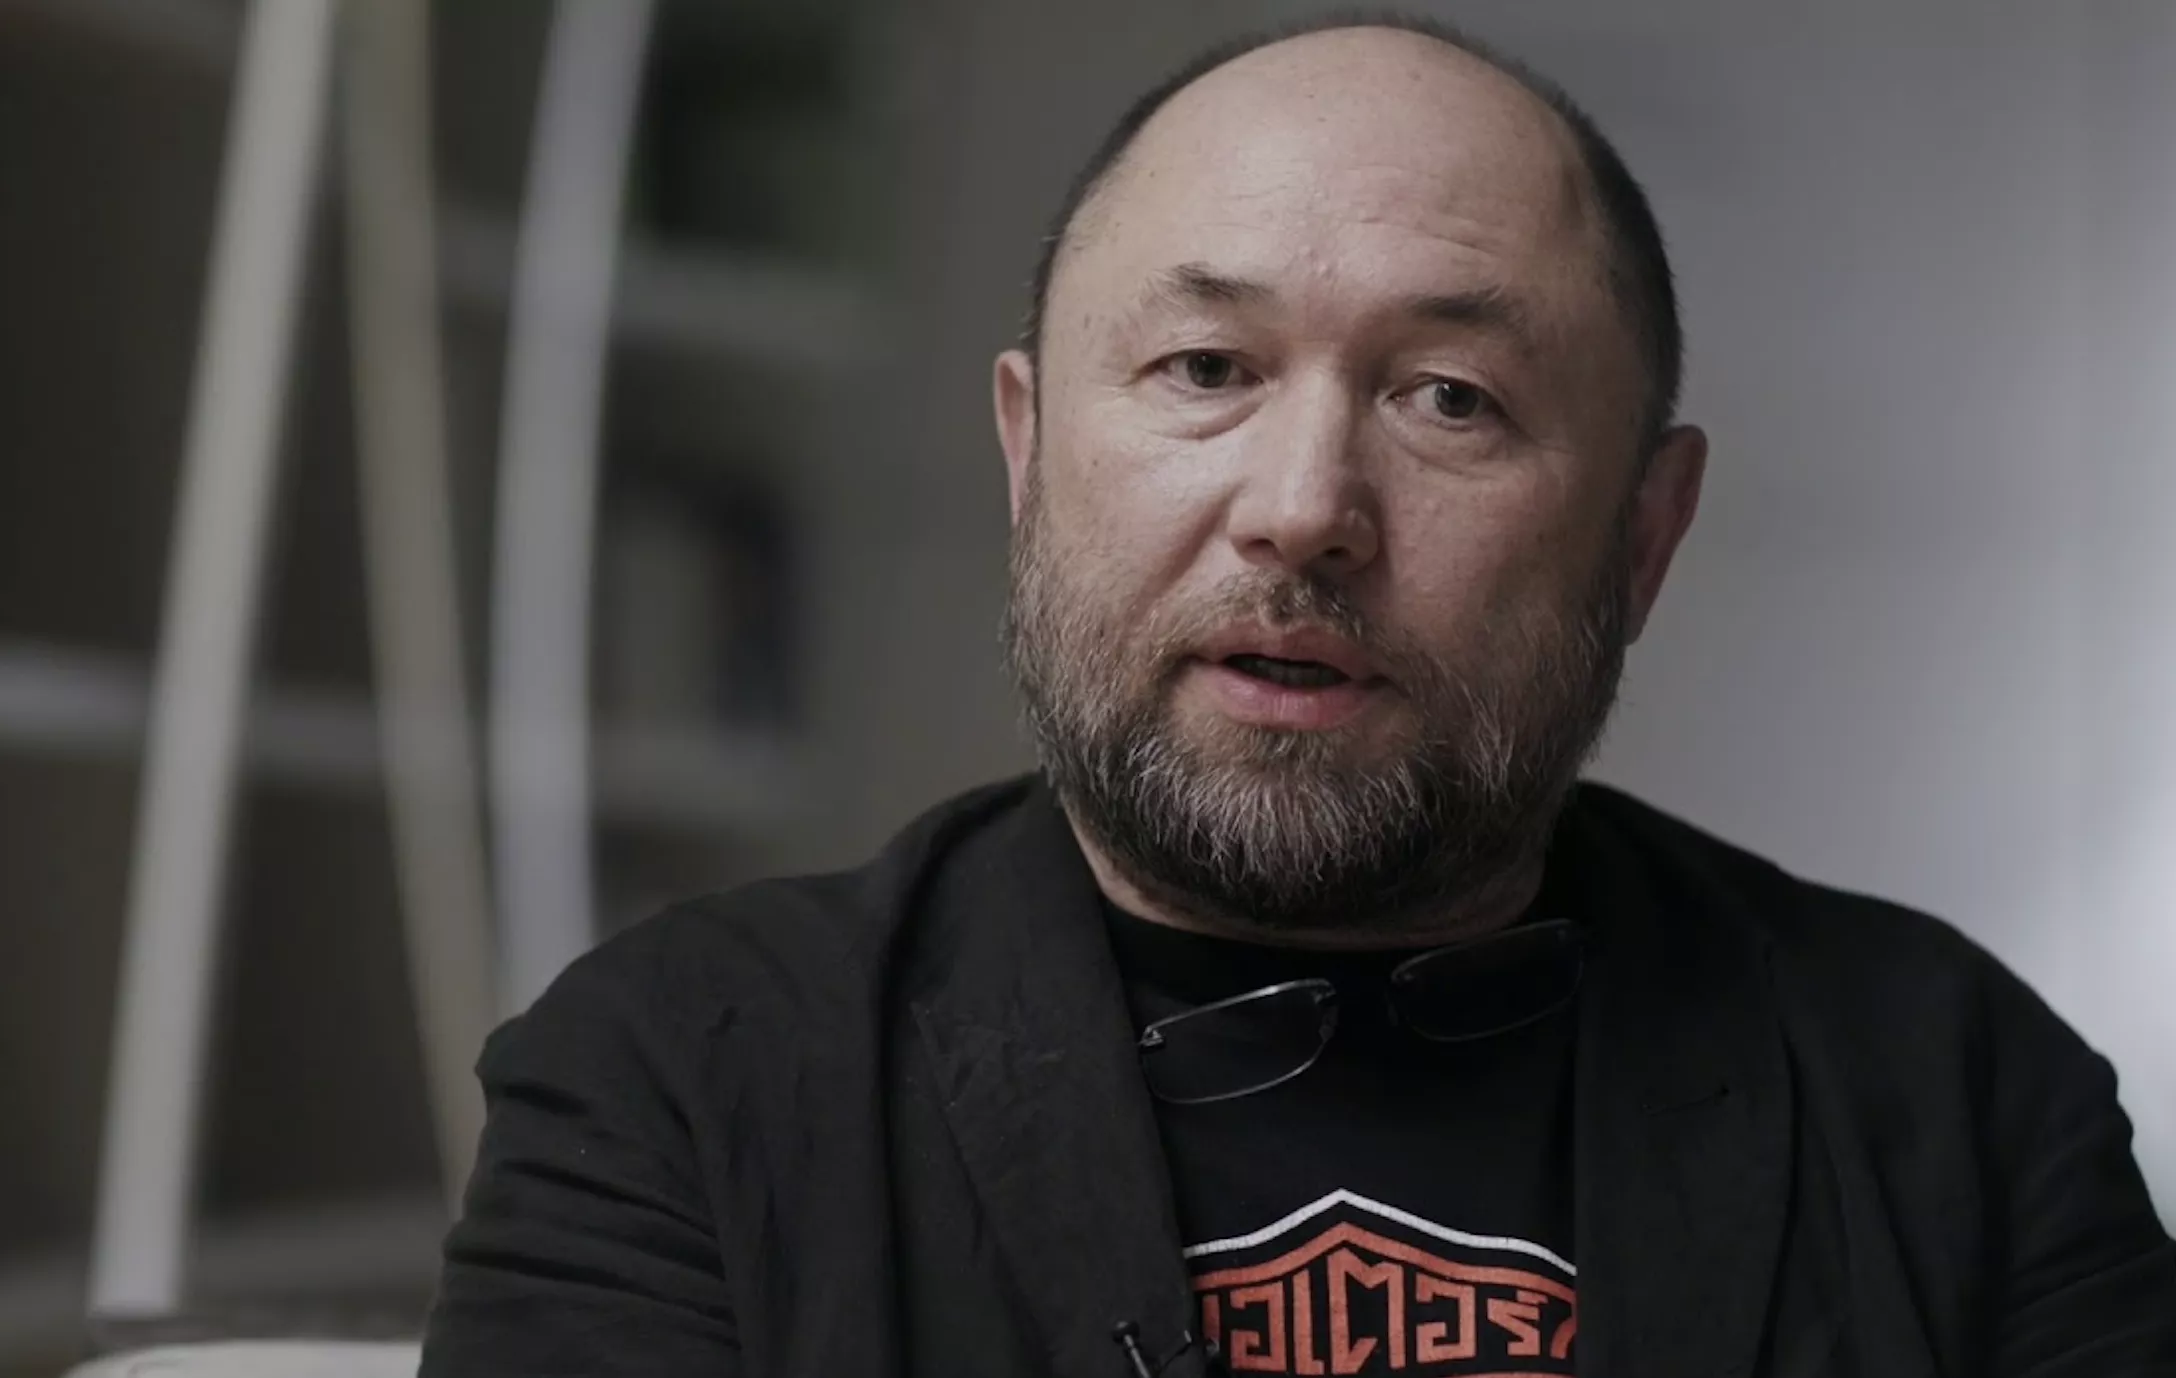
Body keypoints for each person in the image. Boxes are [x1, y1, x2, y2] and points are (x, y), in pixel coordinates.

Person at [419, 17, 2176, 1377]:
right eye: (1206, 367)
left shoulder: (1953, 1096)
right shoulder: (689, 1076)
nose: (1305, 506)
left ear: (1645, 535)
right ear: (1029, 452)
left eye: (1452, 398)